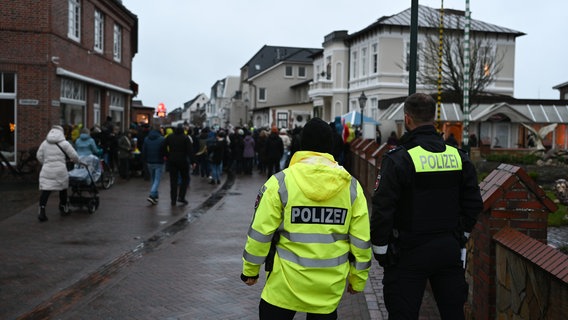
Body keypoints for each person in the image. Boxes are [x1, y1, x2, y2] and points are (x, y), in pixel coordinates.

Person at [241, 117, 372, 319]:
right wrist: (358, 279)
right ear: (330, 146)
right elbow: (361, 241)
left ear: (302, 144)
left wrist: (250, 270)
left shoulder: (280, 183)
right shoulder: (351, 187)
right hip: (328, 288)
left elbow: (260, 233)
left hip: (284, 285)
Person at [370, 93, 483, 319]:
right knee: (453, 313)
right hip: (448, 249)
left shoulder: (399, 159)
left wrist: (381, 251)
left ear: (407, 119)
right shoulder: (458, 157)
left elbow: (383, 208)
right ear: (434, 119)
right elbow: (473, 202)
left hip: (408, 252)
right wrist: (460, 235)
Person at [36, 125, 80, 222]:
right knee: (63, 188)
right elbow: (74, 155)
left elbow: (39, 156)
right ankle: (63, 207)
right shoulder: (65, 143)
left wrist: (45, 163)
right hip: (60, 170)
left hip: (47, 170)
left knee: (46, 190)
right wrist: (77, 162)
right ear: (61, 133)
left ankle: (42, 211)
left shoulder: (44, 143)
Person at [163, 124, 194, 205]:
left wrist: (167, 155)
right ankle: (181, 197)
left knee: (173, 180)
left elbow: (163, 147)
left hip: (172, 160)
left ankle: (173, 200)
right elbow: (190, 150)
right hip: (183, 161)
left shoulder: (170, 137)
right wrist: (193, 161)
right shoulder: (185, 138)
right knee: (185, 179)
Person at [141, 124, 165, 205]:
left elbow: (144, 151)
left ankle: (155, 197)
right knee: (157, 180)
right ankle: (152, 194)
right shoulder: (162, 139)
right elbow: (164, 151)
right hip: (159, 161)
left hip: (149, 162)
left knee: (153, 179)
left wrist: (144, 160)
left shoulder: (146, 139)